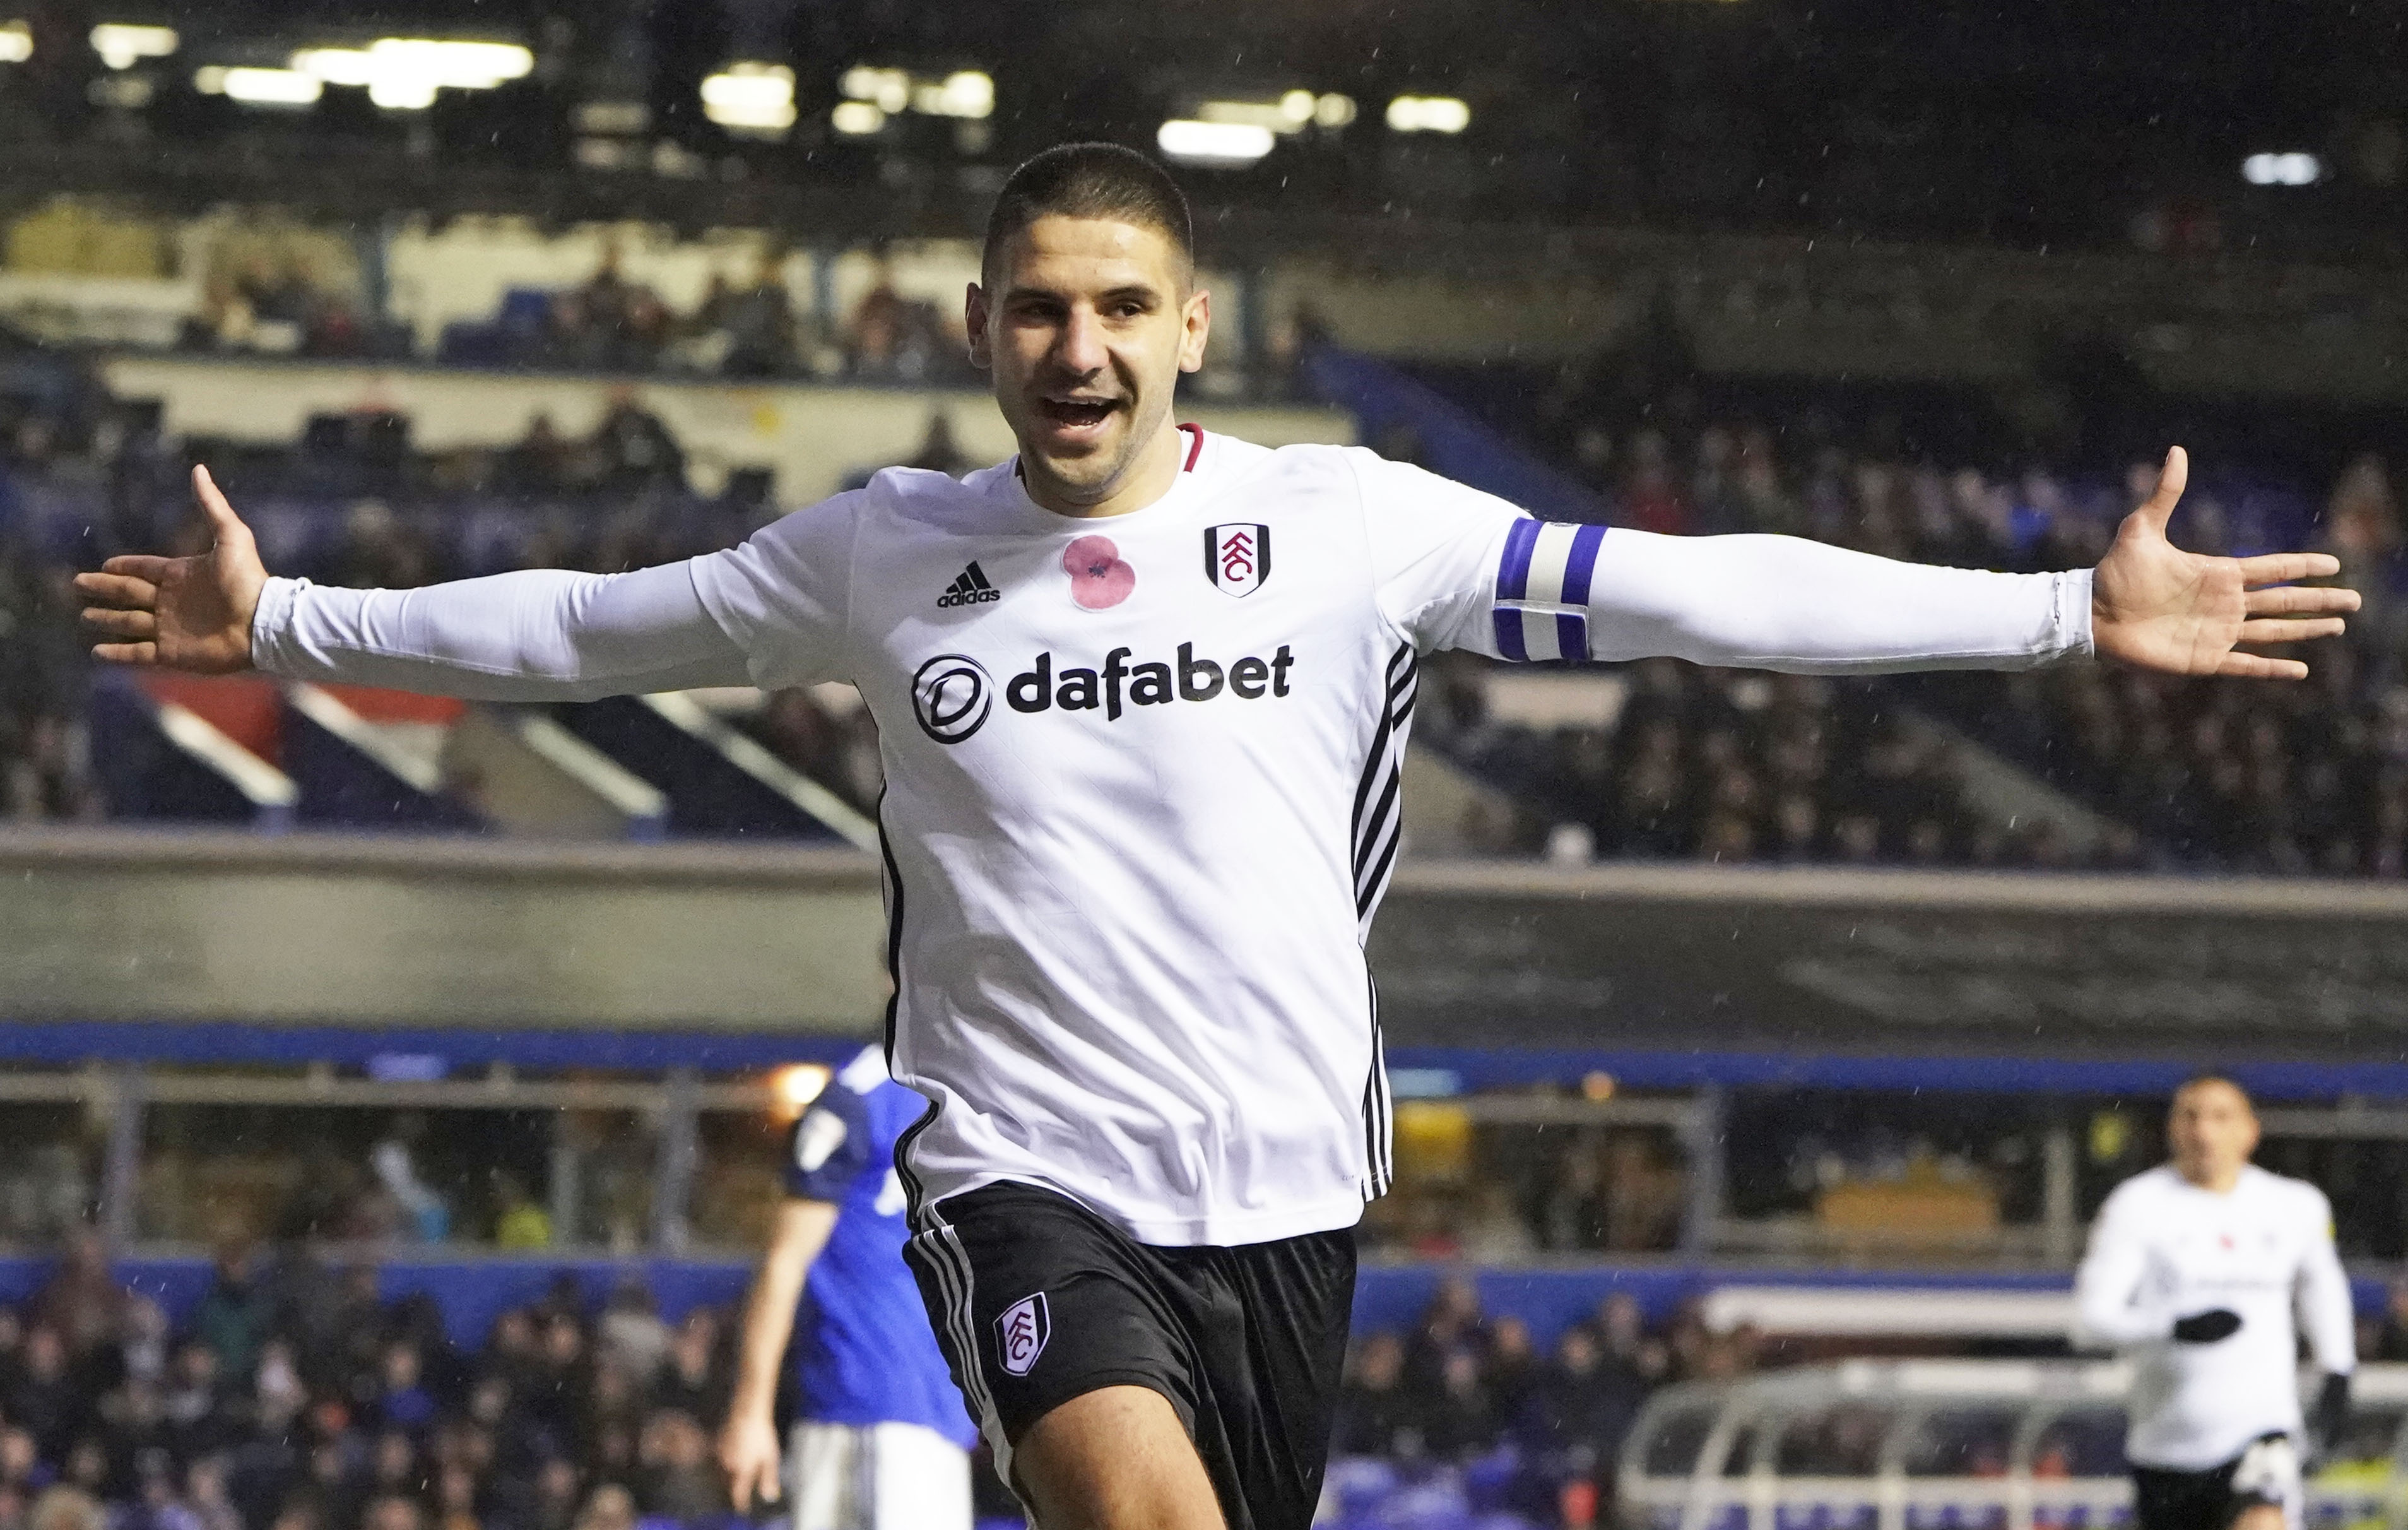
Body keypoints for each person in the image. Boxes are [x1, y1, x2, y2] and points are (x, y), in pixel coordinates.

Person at [77, 142, 2359, 1530]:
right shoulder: (883, 552)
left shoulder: (1346, 529)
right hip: (1020, 1171)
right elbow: (585, 624)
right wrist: (281, 616)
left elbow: (1692, 592)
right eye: (1034, 308)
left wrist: (2057, 611)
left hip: (1283, 1191)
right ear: (981, 329)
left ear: (1190, 326)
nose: (1074, 345)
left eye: (1116, 307)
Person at [2073, 1076, 2356, 1530]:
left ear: (2250, 1131)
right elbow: (2090, 1320)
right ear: (2172, 1129)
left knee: (2264, 1520)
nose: (2204, 1132)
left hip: (2261, 1431)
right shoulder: (2137, 1205)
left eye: (2221, 1117)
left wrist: (2338, 1371)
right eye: (2191, 1117)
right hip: (2166, 1445)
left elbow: (2323, 1287)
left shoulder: (2294, 1206)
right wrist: (2172, 1327)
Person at [717, 1047, 976, 1530]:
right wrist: (751, 1411)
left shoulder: (970, 1085)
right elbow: (785, 1260)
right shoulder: (861, 1095)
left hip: (940, 1410)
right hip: (869, 1400)